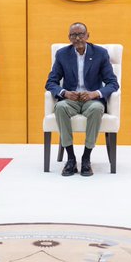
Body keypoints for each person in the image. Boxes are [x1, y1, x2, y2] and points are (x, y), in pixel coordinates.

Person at [45, 22, 120, 177]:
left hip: (91, 100)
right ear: (69, 38)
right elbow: (50, 83)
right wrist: (64, 92)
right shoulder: (62, 54)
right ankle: (71, 158)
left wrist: (95, 93)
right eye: (73, 35)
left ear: (87, 35)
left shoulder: (100, 53)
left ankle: (86, 157)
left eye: (80, 34)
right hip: (70, 100)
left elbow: (113, 83)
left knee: (97, 109)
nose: (77, 38)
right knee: (60, 107)